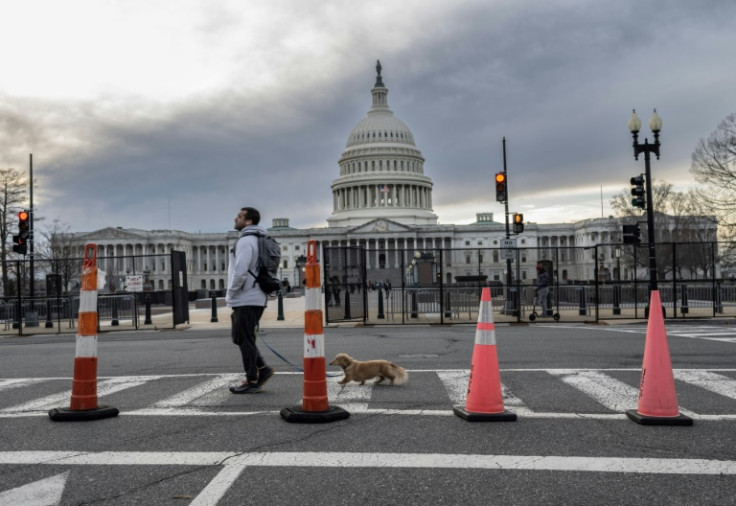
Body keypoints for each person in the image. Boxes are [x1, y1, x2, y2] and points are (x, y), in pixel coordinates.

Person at [227, 207, 274, 394]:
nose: (235, 218)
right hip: (255, 296)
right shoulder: (260, 240)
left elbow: (240, 271)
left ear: (248, 222)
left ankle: (252, 379)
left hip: (246, 297)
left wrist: (231, 293)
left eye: (239, 216)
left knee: (245, 339)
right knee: (240, 337)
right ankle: (262, 369)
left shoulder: (246, 241)